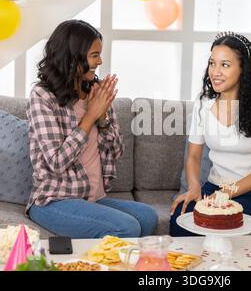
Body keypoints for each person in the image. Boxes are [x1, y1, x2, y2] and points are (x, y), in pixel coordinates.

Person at [26, 19, 158, 238]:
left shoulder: (97, 92)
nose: (100, 61)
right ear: (72, 57)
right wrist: (90, 116)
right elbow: (57, 161)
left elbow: (116, 151)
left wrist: (103, 116)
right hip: (54, 200)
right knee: (127, 227)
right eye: (94, 55)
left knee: (148, 217)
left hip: (91, 197)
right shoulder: (42, 97)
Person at [169, 31, 251, 236]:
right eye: (212, 63)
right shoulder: (204, 102)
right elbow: (193, 155)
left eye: (225, 65)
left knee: (219, 222)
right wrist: (194, 187)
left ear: (243, 69)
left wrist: (226, 193)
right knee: (178, 220)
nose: (215, 72)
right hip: (213, 189)